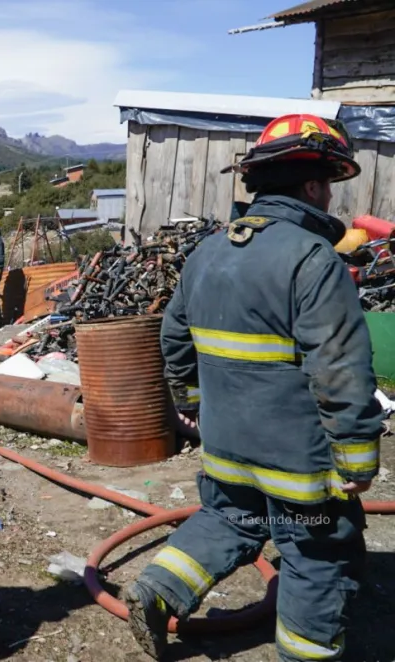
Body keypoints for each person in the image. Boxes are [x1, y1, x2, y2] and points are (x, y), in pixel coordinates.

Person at [122, 113, 384, 662]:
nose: (332, 198)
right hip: (297, 463)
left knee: (230, 517)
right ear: (313, 185)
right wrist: (357, 461)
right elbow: (339, 368)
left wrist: (191, 406)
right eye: (330, 185)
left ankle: (156, 589)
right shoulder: (313, 259)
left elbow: (174, 340)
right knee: (317, 551)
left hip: (225, 447)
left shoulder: (209, 253)